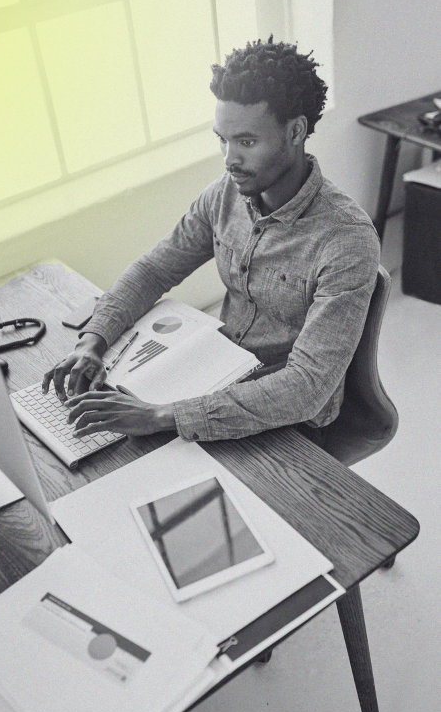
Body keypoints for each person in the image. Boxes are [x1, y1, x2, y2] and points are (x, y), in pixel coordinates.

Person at [43, 37, 380, 448]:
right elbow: (155, 269)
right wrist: (93, 341)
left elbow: (307, 387)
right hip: (212, 374)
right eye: (222, 139)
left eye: (246, 142)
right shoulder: (225, 194)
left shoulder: (347, 240)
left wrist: (162, 416)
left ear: (295, 131)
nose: (228, 158)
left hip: (290, 420)